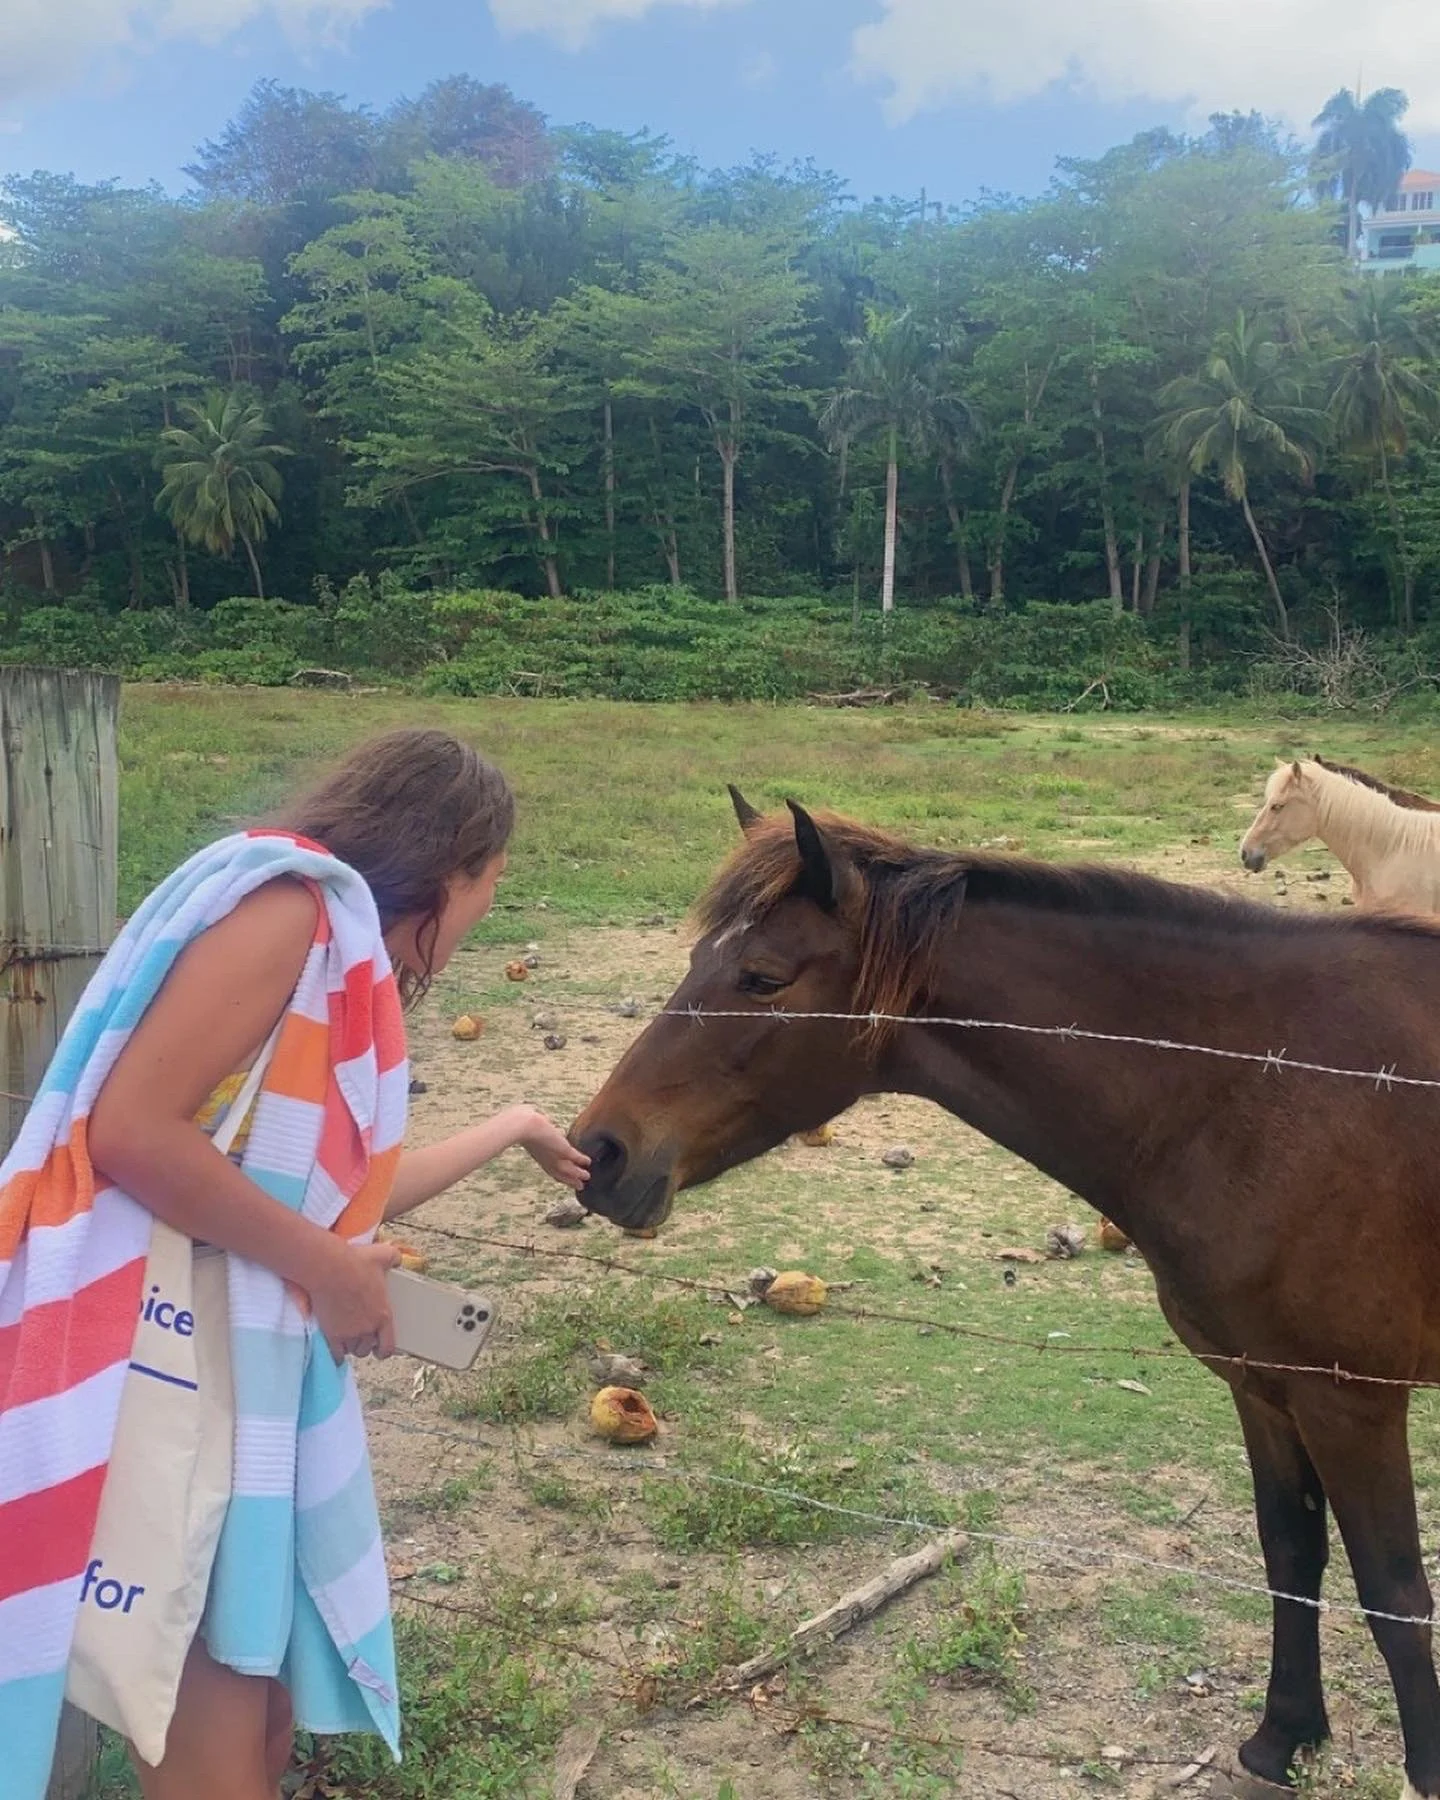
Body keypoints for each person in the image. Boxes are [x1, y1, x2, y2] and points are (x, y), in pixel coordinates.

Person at [0, 728, 588, 1800]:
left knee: (257, 1720)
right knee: (214, 1740)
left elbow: (325, 1197)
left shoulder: (329, 949)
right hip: (170, 1373)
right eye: (493, 884)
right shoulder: (288, 917)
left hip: (229, 1374)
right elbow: (134, 1132)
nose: (488, 911)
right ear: (451, 868)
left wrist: (512, 1124)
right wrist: (324, 1268)